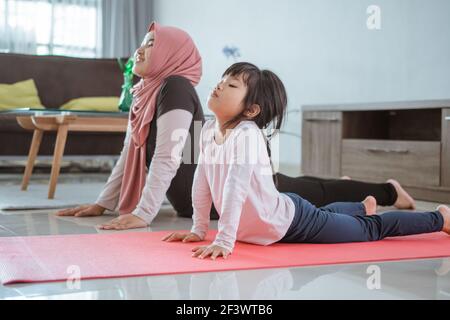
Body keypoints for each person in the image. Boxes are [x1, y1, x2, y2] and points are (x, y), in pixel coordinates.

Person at [163, 62, 450, 260]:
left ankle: (440, 218)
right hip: (276, 215)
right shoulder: (208, 129)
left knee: (370, 229)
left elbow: (235, 188)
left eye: (232, 85)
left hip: (292, 222)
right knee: (326, 214)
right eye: (223, 80)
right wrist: (199, 229)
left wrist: (223, 240)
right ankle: (361, 206)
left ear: (251, 110)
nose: (220, 85)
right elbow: (201, 179)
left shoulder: (247, 135)